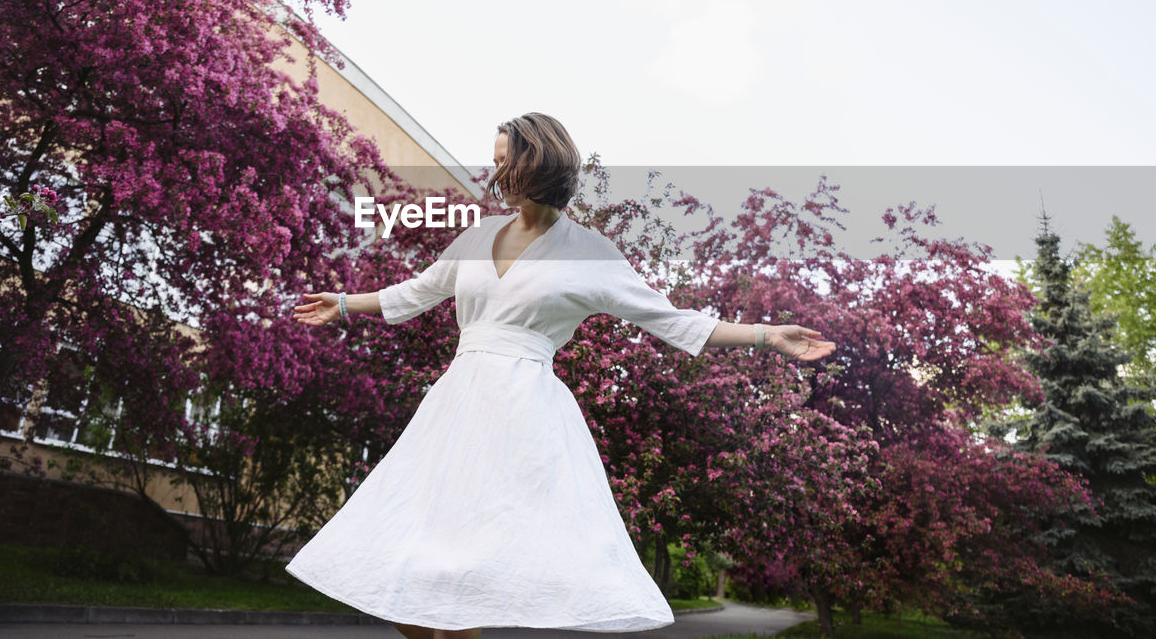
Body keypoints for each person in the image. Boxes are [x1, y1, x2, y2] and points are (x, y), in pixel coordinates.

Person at [285, 112, 834, 639]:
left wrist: (766, 335)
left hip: (521, 414)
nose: (494, 173)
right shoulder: (479, 236)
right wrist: (344, 302)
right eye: (493, 160)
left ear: (539, 164)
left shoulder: (590, 253)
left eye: (505, 161)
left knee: (460, 571)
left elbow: (673, 321)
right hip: (456, 407)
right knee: (403, 559)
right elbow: (419, 290)